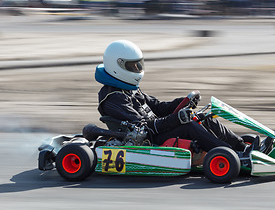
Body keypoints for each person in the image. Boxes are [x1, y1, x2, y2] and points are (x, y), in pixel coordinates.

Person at [95, 40, 259, 156]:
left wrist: (184, 101)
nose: (137, 69)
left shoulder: (128, 89)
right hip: (146, 138)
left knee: (203, 118)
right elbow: (142, 127)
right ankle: (232, 155)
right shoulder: (113, 98)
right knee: (189, 126)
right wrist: (176, 119)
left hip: (157, 128)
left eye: (138, 65)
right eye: (132, 66)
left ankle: (242, 146)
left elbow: (158, 107)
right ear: (116, 66)